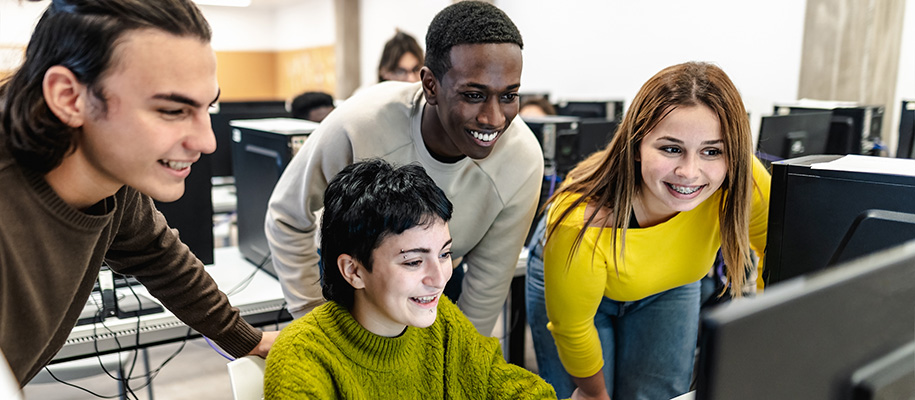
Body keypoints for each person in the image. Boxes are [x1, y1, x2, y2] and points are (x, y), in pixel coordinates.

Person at [0, 0, 276, 386]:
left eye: (206, 108)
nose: (207, 142)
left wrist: (250, 341)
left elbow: (159, 258)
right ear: (69, 97)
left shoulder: (113, 181)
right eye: (171, 110)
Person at [266, 0, 542, 336]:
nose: (494, 118)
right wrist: (313, 319)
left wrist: (457, 364)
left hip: (439, 287)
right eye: (473, 95)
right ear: (430, 86)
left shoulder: (522, 161)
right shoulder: (361, 122)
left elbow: (486, 287)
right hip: (351, 288)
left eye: (509, 95)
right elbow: (287, 216)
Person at [527, 62, 770, 400]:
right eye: (671, 148)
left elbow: (780, 253)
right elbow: (573, 328)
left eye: (712, 151)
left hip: (670, 285)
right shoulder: (581, 221)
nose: (689, 171)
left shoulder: (744, 181)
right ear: (638, 144)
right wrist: (594, 393)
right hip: (575, 284)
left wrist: (771, 337)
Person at [264, 159, 560, 399]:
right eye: (414, 262)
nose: (439, 278)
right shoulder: (302, 356)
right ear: (354, 271)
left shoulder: (443, 321)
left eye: (444, 254)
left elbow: (515, 387)